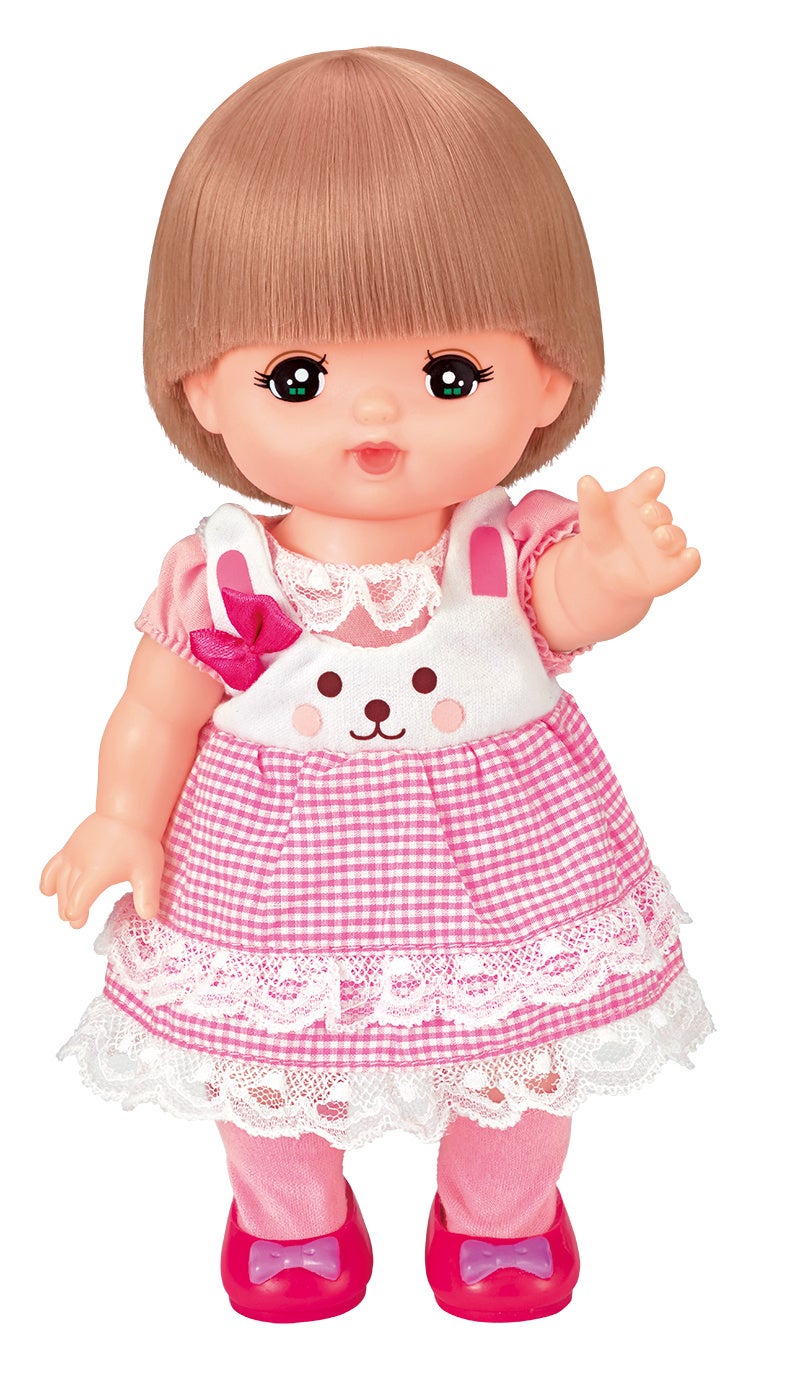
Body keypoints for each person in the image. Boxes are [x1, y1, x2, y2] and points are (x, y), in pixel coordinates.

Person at [42, 47, 711, 1324]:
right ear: (202, 386)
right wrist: (123, 814)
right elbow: (161, 703)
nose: (373, 415)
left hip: (506, 862)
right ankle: (287, 1219)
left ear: (547, 374)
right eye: (295, 378)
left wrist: (617, 574)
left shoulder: (500, 547)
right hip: (271, 869)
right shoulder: (227, 573)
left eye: (448, 374)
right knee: (266, 1066)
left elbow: (564, 606)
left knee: (518, 1054)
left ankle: (502, 1216)